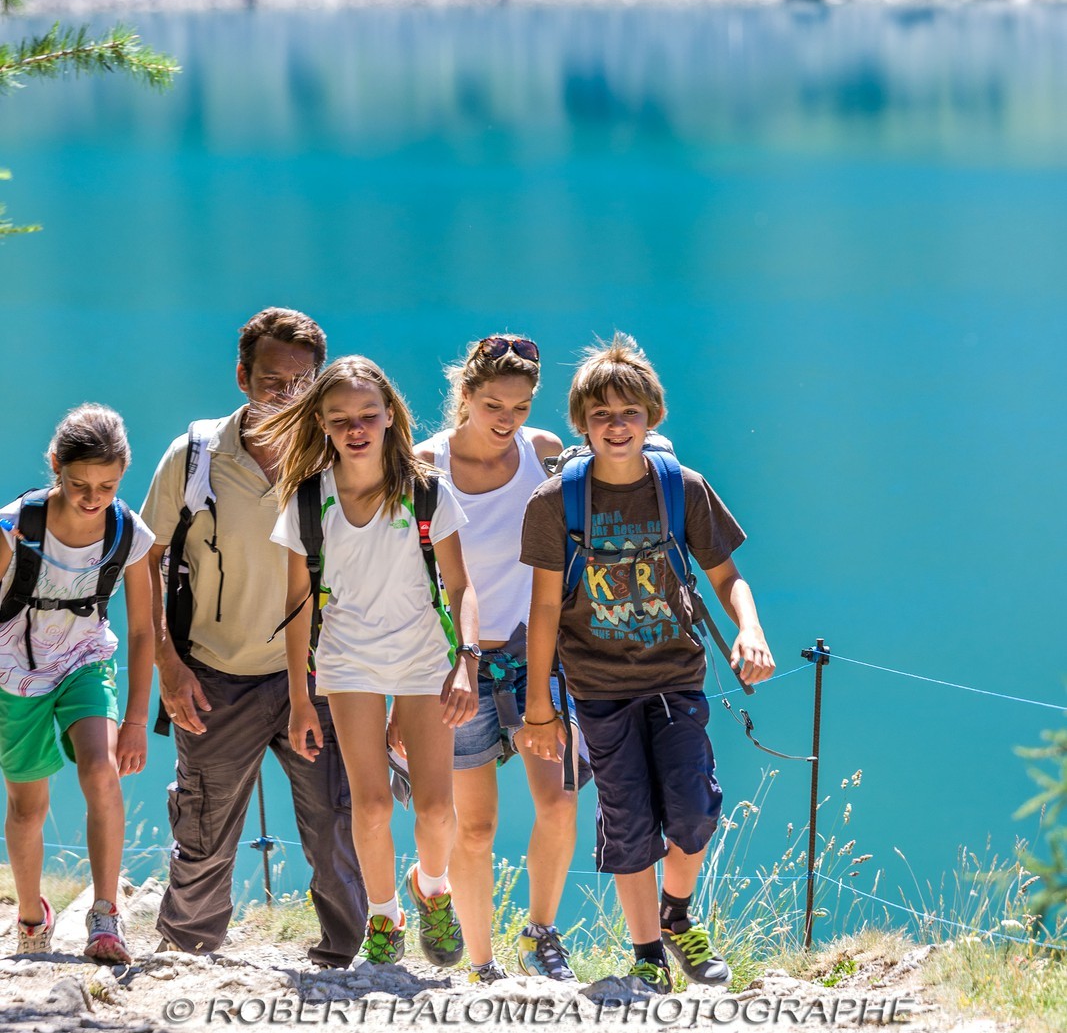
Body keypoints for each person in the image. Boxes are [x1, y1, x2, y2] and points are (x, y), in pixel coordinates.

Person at [521, 335, 776, 993]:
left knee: (691, 813)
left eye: (629, 413)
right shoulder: (554, 504)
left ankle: (676, 915)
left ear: (650, 418)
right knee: (628, 820)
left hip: (672, 676)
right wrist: (539, 707)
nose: (616, 426)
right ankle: (645, 954)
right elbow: (544, 608)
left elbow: (726, 576)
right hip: (598, 688)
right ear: (581, 423)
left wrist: (750, 630)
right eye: (601, 415)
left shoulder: (680, 489)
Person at [141, 307, 366, 966]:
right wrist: (167, 664)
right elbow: (145, 563)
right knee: (204, 828)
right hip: (212, 673)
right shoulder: (195, 457)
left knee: (334, 821)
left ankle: (345, 955)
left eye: (303, 382)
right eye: (272, 380)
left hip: (320, 676)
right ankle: (187, 951)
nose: (288, 395)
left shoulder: (338, 455)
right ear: (242, 376)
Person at [263, 355, 480, 970]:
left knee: (437, 809)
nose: (355, 428)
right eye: (340, 420)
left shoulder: (427, 489)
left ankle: (431, 889)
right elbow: (297, 602)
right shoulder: (309, 500)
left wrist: (466, 662)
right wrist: (301, 698)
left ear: (390, 415)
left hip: (423, 658)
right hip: (347, 659)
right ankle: (384, 915)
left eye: (366, 415)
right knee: (374, 804)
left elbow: (462, 587)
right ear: (324, 426)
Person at [411, 333, 579, 986]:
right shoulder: (427, 466)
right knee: (474, 827)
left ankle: (540, 936)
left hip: (536, 655)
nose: (505, 418)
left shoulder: (543, 454)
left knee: (559, 803)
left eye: (519, 405)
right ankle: (481, 965)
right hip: (456, 663)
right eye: (491, 404)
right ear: (465, 396)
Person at [1, 405, 154, 963]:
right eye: (79, 483)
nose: (93, 497)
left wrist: (136, 719)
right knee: (26, 807)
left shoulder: (126, 532)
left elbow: (142, 630)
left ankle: (105, 916)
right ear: (55, 467)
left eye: (108, 485)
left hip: (86, 659)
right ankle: (30, 914)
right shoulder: (16, 525)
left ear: (122, 476)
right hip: (14, 671)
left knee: (101, 770)